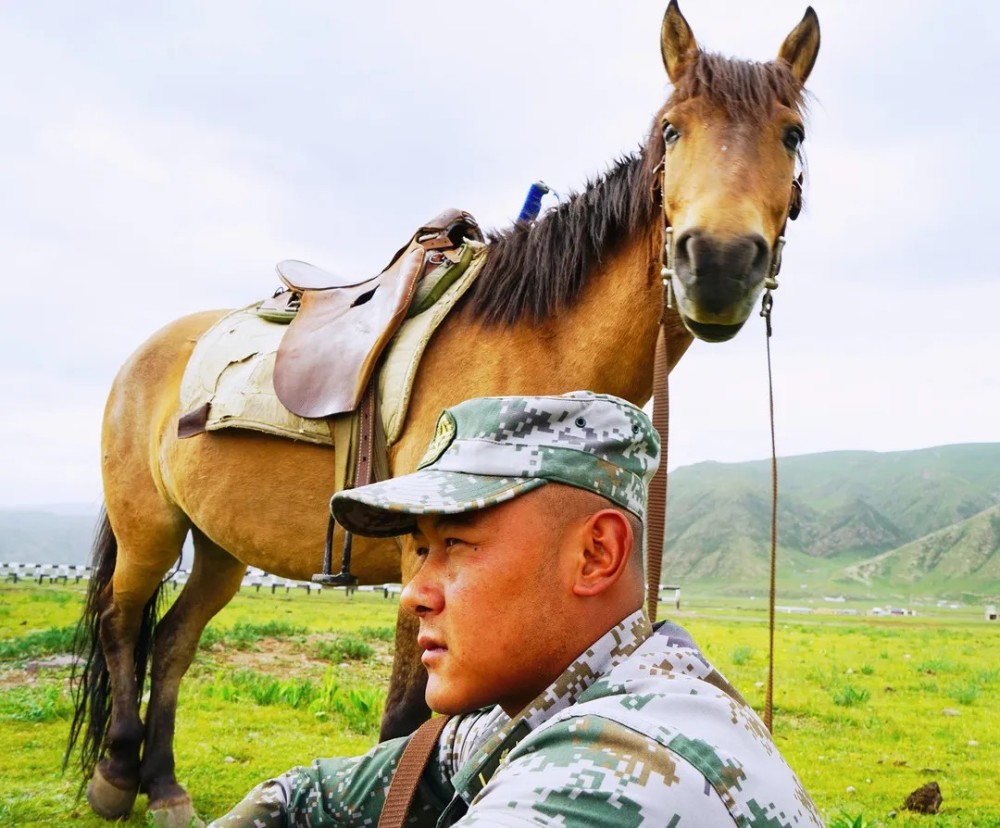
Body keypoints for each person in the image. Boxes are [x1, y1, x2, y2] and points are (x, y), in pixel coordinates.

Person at [211, 391, 823, 827]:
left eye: (456, 544)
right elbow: (307, 796)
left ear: (595, 554)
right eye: (421, 548)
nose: (414, 593)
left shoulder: (612, 777)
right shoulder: (546, 704)